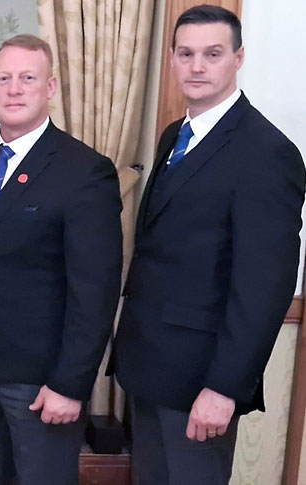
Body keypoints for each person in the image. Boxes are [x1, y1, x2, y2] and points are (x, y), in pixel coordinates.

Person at [111, 5, 305, 484]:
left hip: (203, 379)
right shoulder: (173, 136)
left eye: (212, 54)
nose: (197, 66)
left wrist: (223, 388)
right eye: (186, 53)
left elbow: (264, 286)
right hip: (149, 366)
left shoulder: (266, 151)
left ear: (238, 58)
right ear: (174, 60)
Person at [0, 34, 122, 485]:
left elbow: (94, 291)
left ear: (51, 87)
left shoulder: (84, 171)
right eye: (4, 78)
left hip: (42, 380)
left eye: (27, 78)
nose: (14, 89)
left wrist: (70, 384)